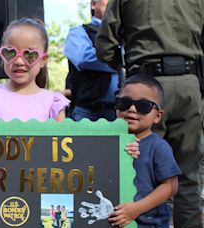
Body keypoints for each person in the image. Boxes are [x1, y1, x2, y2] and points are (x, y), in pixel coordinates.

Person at [95, 1, 204, 226]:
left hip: (145, 85)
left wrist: (132, 70)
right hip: (189, 82)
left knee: (142, 170)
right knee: (188, 174)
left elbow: (105, 45)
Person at [109, 75, 181, 227]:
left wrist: (136, 209)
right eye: (124, 103)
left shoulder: (158, 146)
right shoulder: (107, 141)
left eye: (143, 106)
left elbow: (171, 185)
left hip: (148, 223)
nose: (132, 109)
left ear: (157, 116)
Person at [0, 18, 70, 122]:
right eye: (10, 53)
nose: (19, 61)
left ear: (43, 60)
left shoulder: (53, 103)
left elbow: (61, 138)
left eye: (29, 55)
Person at [63, 0, 117, 121]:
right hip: (88, 111)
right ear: (94, 4)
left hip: (121, 111)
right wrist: (120, 62)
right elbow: (84, 59)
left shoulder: (124, 34)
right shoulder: (78, 32)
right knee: (83, 141)